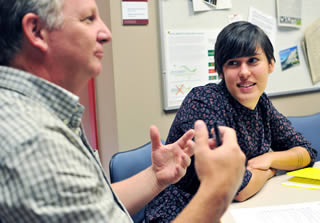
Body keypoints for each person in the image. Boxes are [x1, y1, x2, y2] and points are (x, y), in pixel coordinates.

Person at [0, 1, 246, 222]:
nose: (106, 33)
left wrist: (156, 177)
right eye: (88, 18)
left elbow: (87, 208)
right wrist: (217, 192)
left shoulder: (40, 114)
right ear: (36, 31)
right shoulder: (34, 141)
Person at [145, 21, 318, 222]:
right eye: (233, 63)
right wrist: (271, 172)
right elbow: (237, 188)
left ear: (271, 64)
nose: (244, 72)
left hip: (236, 210)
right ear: (221, 71)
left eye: (253, 60)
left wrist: (269, 160)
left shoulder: (261, 103)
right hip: (183, 213)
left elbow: (306, 151)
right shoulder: (205, 102)